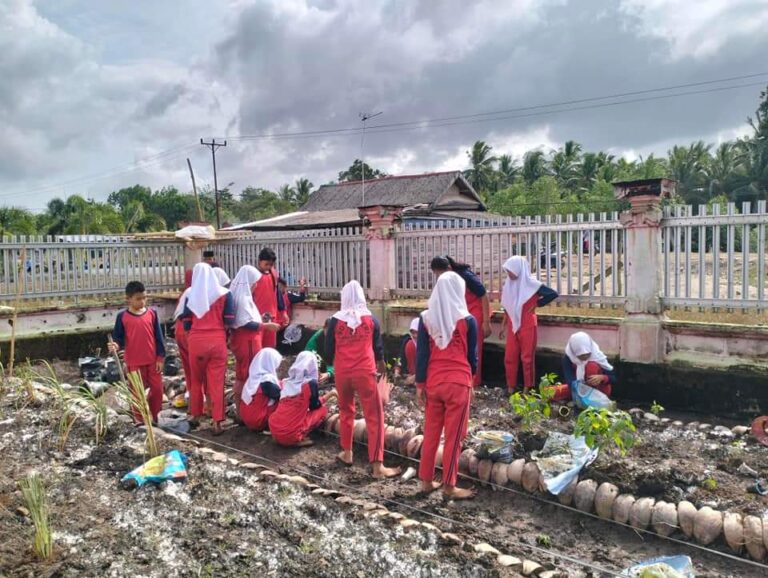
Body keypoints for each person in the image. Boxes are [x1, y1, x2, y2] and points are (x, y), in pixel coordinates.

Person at [326, 280, 400, 478]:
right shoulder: (370, 320)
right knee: (374, 416)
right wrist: (382, 365)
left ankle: (347, 452)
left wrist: (334, 364)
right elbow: (378, 347)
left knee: (346, 410)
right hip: (364, 372)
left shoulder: (335, 320)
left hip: (342, 372)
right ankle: (377, 466)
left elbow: (328, 349)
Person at [415, 271, 477, 500]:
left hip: (434, 382)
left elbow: (421, 354)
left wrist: (420, 385)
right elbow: (472, 357)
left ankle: (425, 481)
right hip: (458, 384)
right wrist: (472, 382)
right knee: (453, 437)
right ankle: (449, 486)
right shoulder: (468, 320)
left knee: (431, 433)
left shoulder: (425, 318)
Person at [181, 262, 235, 435]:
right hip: (217, 341)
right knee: (217, 383)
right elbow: (230, 320)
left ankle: (195, 415)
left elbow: (186, 322)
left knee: (196, 380)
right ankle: (217, 421)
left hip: (196, 342)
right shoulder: (225, 294)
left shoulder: (191, 295)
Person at [108, 281, 166, 424]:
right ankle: (140, 421)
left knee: (158, 391)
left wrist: (160, 357)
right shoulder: (122, 317)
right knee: (137, 395)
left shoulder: (152, 314)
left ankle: (154, 417)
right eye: (138, 299)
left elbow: (159, 337)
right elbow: (118, 339)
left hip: (153, 361)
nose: (142, 302)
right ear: (128, 299)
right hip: (134, 363)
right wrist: (114, 345)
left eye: (144, 298)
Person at [500, 256, 558, 393]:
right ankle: (510, 386)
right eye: (507, 271)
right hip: (513, 325)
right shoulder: (508, 285)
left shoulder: (532, 284)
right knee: (509, 356)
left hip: (527, 324)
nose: (509, 274)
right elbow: (507, 307)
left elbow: (552, 294)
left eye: (511, 271)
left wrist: (537, 304)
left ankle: (528, 387)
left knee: (527, 357)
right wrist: (503, 325)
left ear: (519, 270)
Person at [430, 256, 491, 387]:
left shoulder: (465, 276)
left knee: (474, 349)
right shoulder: (446, 280)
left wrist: (486, 321)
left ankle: (474, 382)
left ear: (449, 268)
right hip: (460, 314)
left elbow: (483, 295)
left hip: (475, 313)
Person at [229, 266, 280, 411]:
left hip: (243, 341)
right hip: (248, 342)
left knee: (241, 373)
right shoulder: (244, 299)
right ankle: (244, 410)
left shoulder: (239, 296)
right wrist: (266, 326)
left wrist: (262, 320)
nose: (256, 285)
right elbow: (246, 323)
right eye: (254, 282)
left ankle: (242, 409)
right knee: (247, 374)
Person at [269, 351, 337, 447]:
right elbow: (314, 406)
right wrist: (330, 394)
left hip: (274, 429)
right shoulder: (310, 384)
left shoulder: (286, 382)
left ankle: (282, 437)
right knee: (322, 410)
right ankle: (298, 438)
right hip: (290, 434)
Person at [550, 332, 616, 401]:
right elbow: (569, 378)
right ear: (574, 352)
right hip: (578, 389)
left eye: (587, 354)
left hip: (600, 391)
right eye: (581, 355)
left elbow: (614, 378)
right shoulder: (568, 358)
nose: (585, 357)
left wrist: (602, 377)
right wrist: (577, 386)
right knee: (549, 393)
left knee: (591, 366)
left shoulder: (597, 356)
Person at [239, 348, 283, 431]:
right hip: (258, 420)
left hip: (247, 417)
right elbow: (281, 397)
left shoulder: (253, 376)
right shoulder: (267, 380)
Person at [252, 247, 285, 349]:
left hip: (271, 317)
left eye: (271, 265)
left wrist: (283, 311)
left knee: (270, 347)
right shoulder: (253, 276)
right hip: (257, 317)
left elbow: (277, 293)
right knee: (257, 347)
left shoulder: (273, 274)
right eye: (266, 264)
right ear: (259, 261)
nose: (268, 267)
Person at [172, 286, 192, 401]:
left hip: (180, 330)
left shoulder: (188, 291)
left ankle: (191, 399)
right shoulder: (205, 292)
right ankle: (201, 404)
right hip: (189, 333)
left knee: (188, 368)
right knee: (198, 371)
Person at [304, 319, 333, 383]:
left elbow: (341, 360)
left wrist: (329, 373)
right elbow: (308, 354)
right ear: (324, 328)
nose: (330, 335)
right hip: (322, 362)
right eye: (328, 332)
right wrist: (316, 370)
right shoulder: (317, 338)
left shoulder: (340, 339)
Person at [394, 317, 420, 385]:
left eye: (417, 332)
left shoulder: (428, 344)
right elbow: (400, 357)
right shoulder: (408, 341)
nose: (415, 335)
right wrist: (397, 370)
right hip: (410, 374)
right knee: (410, 345)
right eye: (412, 332)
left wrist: (416, 376)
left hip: (424, 375)